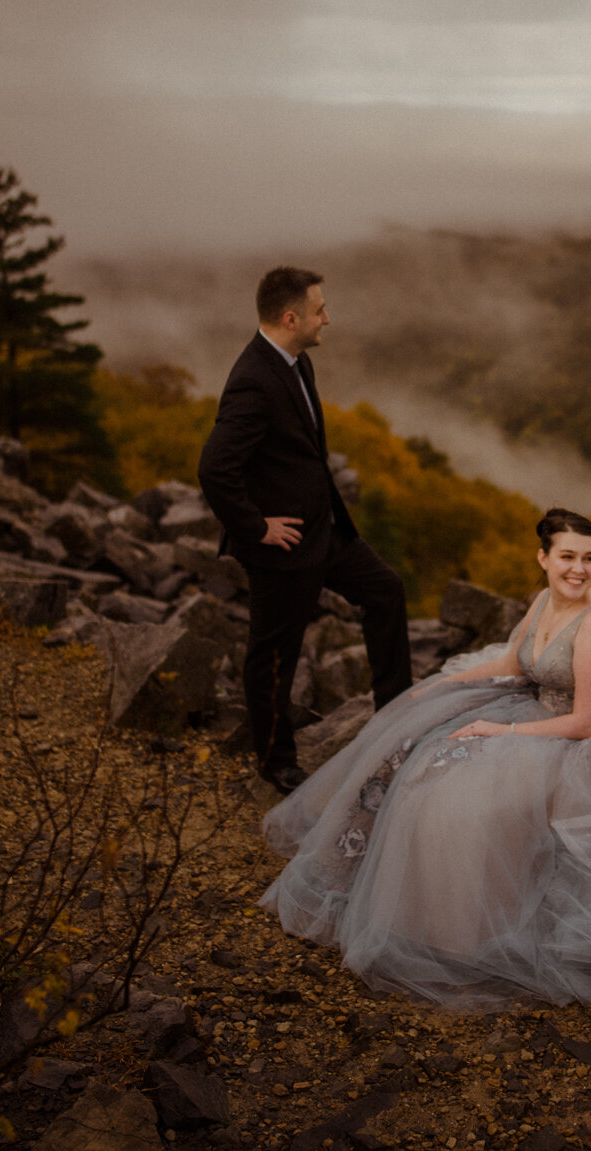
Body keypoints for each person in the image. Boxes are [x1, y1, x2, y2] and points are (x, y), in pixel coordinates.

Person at [260, 509, 591, 1010]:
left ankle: (465, 941)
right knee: (421, 763)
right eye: (567, 557)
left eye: (589, 559)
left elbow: (586, 724)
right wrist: (443, 686)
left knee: (464, 803)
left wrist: (504, 730)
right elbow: (515, 663)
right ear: (543, 558)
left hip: (575, 741)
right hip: (532, 710)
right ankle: (417, 920)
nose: (578, 570)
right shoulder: (542, 601)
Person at [198, 266, 413, 795]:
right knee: (274, 655)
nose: (327, 318)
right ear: (291, 317)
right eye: (320, 310)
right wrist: (256, 529)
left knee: (386, 593)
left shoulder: (299, 363)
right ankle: (276, 761)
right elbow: (214, 468)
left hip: (327, 530)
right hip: (284, 544)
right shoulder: (253, 378)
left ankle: (396, 723)